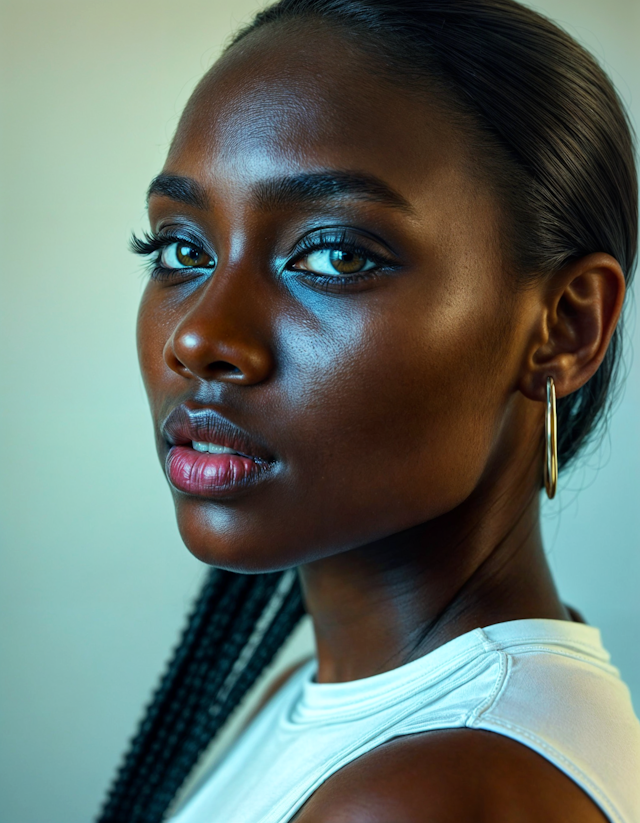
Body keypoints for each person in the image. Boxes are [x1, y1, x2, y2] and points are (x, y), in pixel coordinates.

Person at [97, 1, 640, 821]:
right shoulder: (334, 694)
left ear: (562, 327)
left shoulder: (425, 794)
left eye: (335, 253)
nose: (202, 336)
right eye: (182, 249)